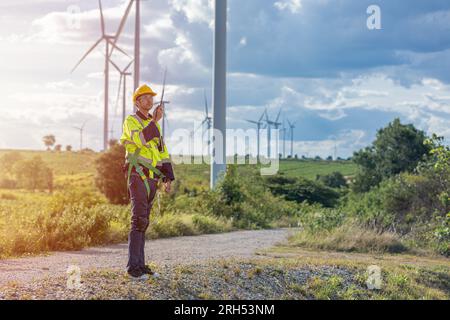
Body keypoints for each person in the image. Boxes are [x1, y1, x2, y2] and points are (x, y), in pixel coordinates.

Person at [119, 84, 175, 281]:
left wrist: (167, 177)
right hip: (137, 175)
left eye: (151, 97)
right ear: (137, 102)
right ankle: (132, 268)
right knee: (138, 219)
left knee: (144, 220)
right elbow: (141, 140)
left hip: (152, 177)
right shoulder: (131, 121)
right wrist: (155, 120)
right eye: (145, 98)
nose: (150, 100)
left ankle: (140, 266)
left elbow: (162, 152)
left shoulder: (155, 125)